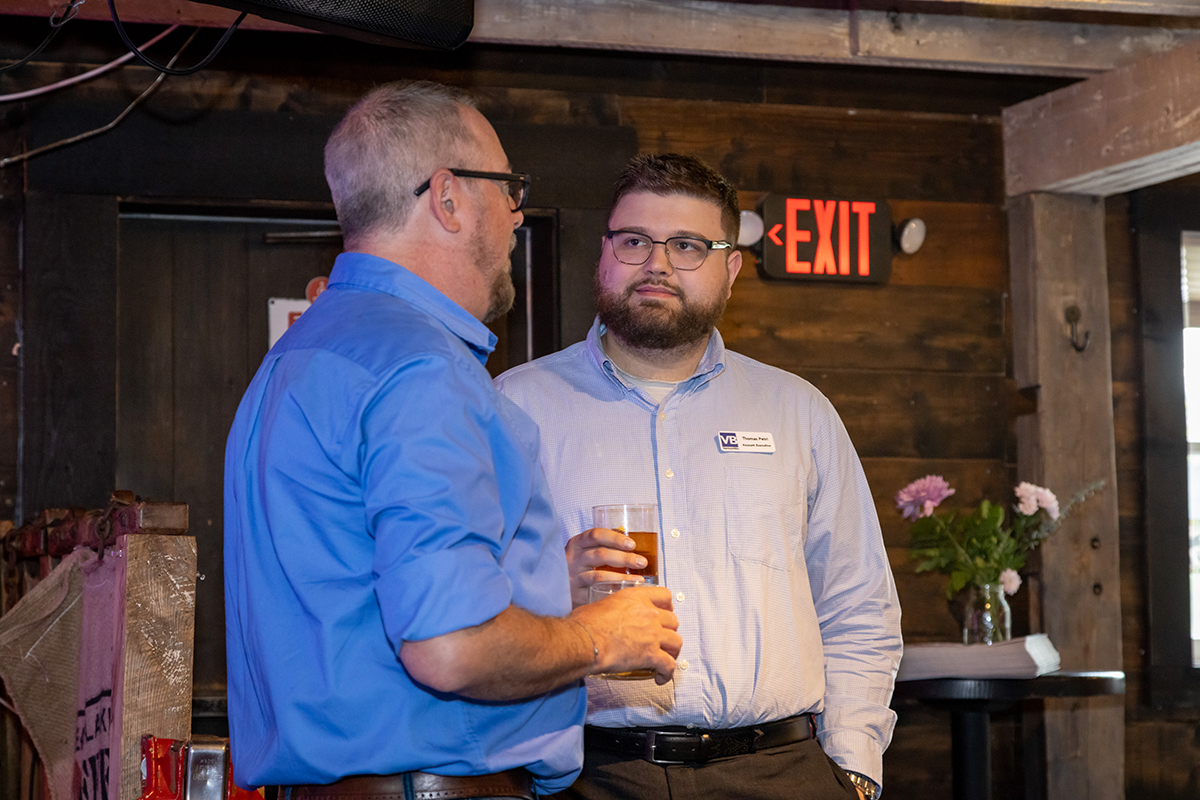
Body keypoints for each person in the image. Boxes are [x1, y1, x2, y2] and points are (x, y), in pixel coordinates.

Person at [223, 82, 682, 799]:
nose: (517, 213)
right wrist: (600, 635)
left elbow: (353, 587)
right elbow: (449, 647)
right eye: (508, 187)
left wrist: (536, 588)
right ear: (447, 198)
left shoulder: (300, 355)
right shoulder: (421, 367)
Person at [494, 154, 902, 800]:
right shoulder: (515, 407)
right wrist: (548, 585)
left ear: (730, 270)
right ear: (604, 254)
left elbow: (858, 605)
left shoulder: (798, 412)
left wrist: (854, 769)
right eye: (634, 241)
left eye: (687, 245)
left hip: (780, 773)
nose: (657, 264)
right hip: (588, 775)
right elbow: (461, 606)